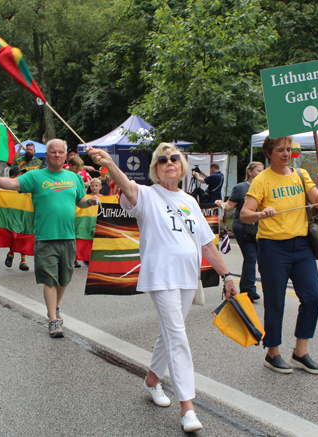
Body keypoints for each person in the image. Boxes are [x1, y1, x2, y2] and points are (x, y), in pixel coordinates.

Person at [88, 142, 237, 433]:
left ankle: (152, 381)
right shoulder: (145, 194)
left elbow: (207, 244)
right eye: (163, 160)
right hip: (161, 276)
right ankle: (188, 408)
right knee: (178, 336)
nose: (170, 163)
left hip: (187, 276)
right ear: (156, 168)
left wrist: (228, 276)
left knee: (171, 332)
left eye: (175, 159)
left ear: (182, 167)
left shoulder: (191, 201)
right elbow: (126, 185)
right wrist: (109, 163)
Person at [0, 139, 100, 338]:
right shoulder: (35, 176)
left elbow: (80, 201)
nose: (57, 155)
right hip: (45, 237)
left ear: (65, 155)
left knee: (64, 279)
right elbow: (14, 183)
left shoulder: (74, 178)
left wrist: (90, 201)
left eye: (60, 152)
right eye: (53, 152)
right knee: (49, 280)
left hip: (68, 237)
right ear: (47, 155)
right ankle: (53, 320)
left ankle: (55, 308)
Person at [240, 135, 318, 375]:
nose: (286, 153)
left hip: (301, 246)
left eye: (289, 149)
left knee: (312, 297)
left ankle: (301, 352)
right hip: (272, 247)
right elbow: (244, 214)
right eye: (280, 150)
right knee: (275, 302)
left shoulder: (301, 175)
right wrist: (261, 214)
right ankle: (273, 353)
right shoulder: (261, 180)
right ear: (269, 153)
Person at [216, 161, 264, 302]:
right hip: (243, 226)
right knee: (250, 257)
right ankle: (249, 290)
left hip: (259, 226)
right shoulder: (241, 188)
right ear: (250, 171)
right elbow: (230, 206)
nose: (261, 173)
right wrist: (222, 204)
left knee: (259, 257)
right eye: (258, 171)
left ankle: (247, 286)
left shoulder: (264, 187)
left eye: (263, 171)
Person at [4, 166, 30, 271]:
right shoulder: (8, 187)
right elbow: (2, 194)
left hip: (23, 214)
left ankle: (23, 261)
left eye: (22, 174)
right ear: (12, 177)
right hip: (12, 214)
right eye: (19, 174)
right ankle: (11, 253)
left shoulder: (25, 186)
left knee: (22, 236)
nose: (21, 176)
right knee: (14, 236)